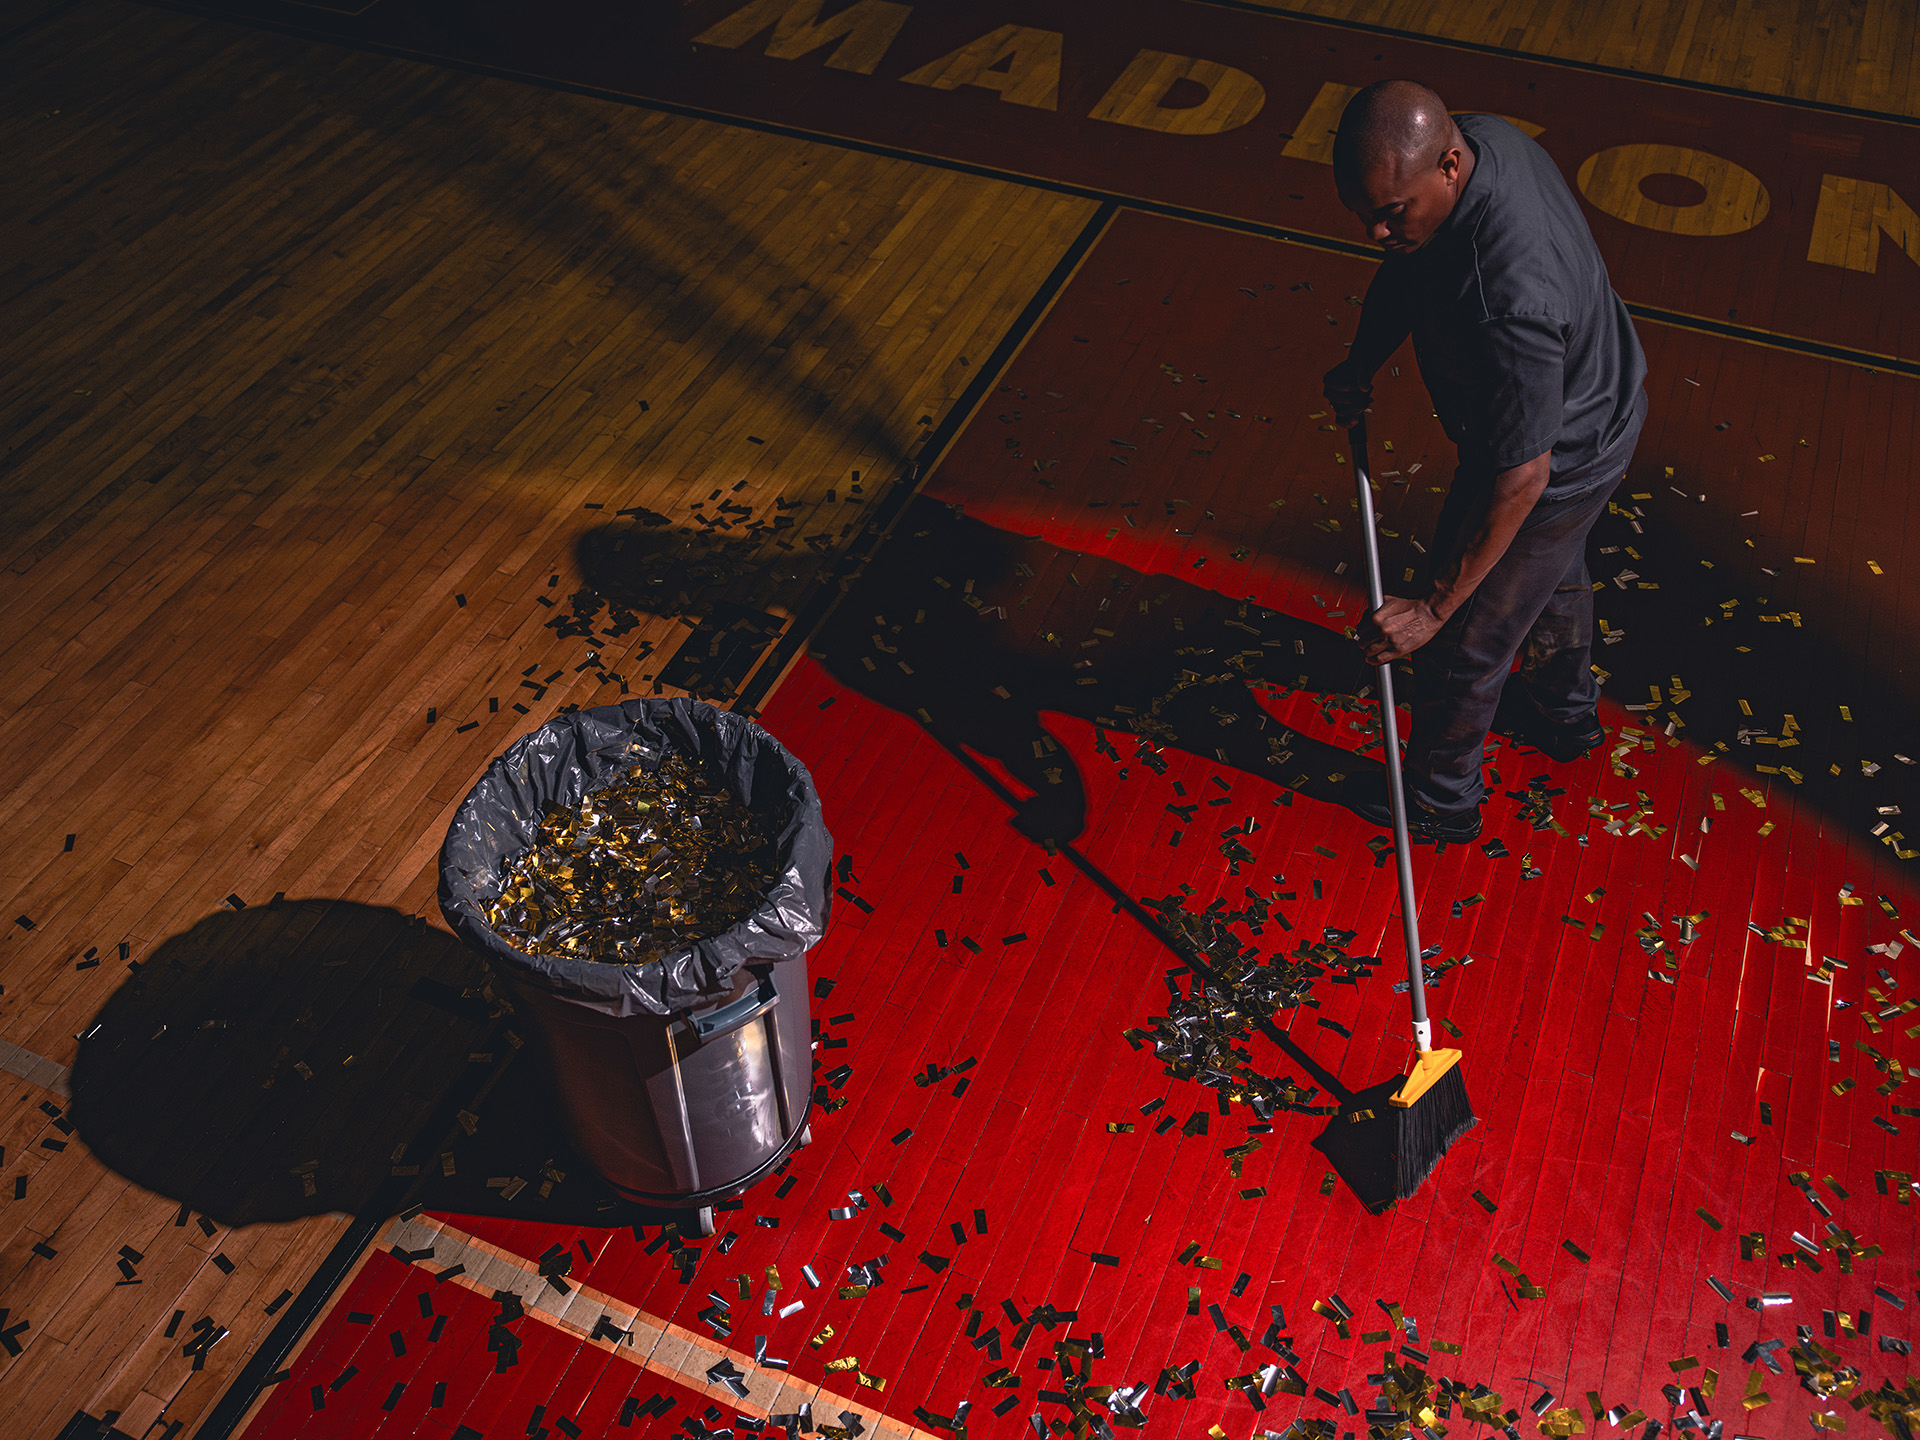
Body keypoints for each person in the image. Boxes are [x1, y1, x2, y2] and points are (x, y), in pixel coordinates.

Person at [1322, 79, 1648, 842]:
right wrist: (1362, 360)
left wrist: (1433, 609)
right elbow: (1408, 269)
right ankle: (1566, 717)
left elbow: (1523, 479)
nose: (1376, 232)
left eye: (1391, 213)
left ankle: (1443, 797)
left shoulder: (1510, 299)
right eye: (1365, 212)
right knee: (1547, 571)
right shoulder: (1482, 141)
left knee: (1468, 634)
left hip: (1555, 453)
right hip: (1600, 398)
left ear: (1448, 166)